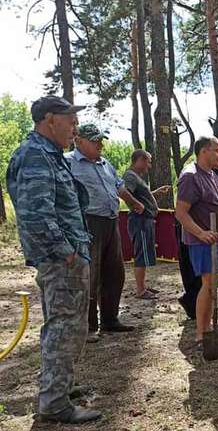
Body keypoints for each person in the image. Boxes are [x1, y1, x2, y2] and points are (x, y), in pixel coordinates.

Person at [6, 95, 101, 423]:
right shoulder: (35, 155)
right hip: (61, 260)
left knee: (71, 326)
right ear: (50, 119)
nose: (74, 127)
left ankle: (60, 386)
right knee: (63, 327)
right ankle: (54, 403)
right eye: (70, 120)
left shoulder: (51, 155)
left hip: (69, 257)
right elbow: (36, 215)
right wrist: (67, 252)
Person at [65, 124, 143, 340]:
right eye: (94, 140)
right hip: (87, 223)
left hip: (110, 222)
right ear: (78, 141)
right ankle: (88, 326)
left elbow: (119, 187)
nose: (100, 144)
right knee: (89, 274)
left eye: (101, 140)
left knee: (114, 272)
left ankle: (110, 319)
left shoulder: (105, 163)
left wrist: (134, 203)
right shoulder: (68, 162)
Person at [175, 136, 218, 348]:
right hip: (202, 243)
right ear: (203, 152)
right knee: (207, 286)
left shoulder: (213, 175)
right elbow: (180, 213)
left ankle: (207, 327)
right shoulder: (190, 177)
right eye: (217, 150)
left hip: (216, 239)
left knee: (213, 286)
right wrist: (200, 233)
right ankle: (201, 334)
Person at [123, 149, 172, 299]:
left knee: (144, 254)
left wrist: (155, 193)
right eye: (148, 162)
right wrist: (137, 205)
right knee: (141, 255)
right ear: (140, 160)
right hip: (140, 221)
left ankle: (143, 286)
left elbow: (140, 194)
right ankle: (140, 290)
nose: (149, 166)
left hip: (145, 221)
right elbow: (124, 192)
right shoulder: (130, 176)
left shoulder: (136, 177)